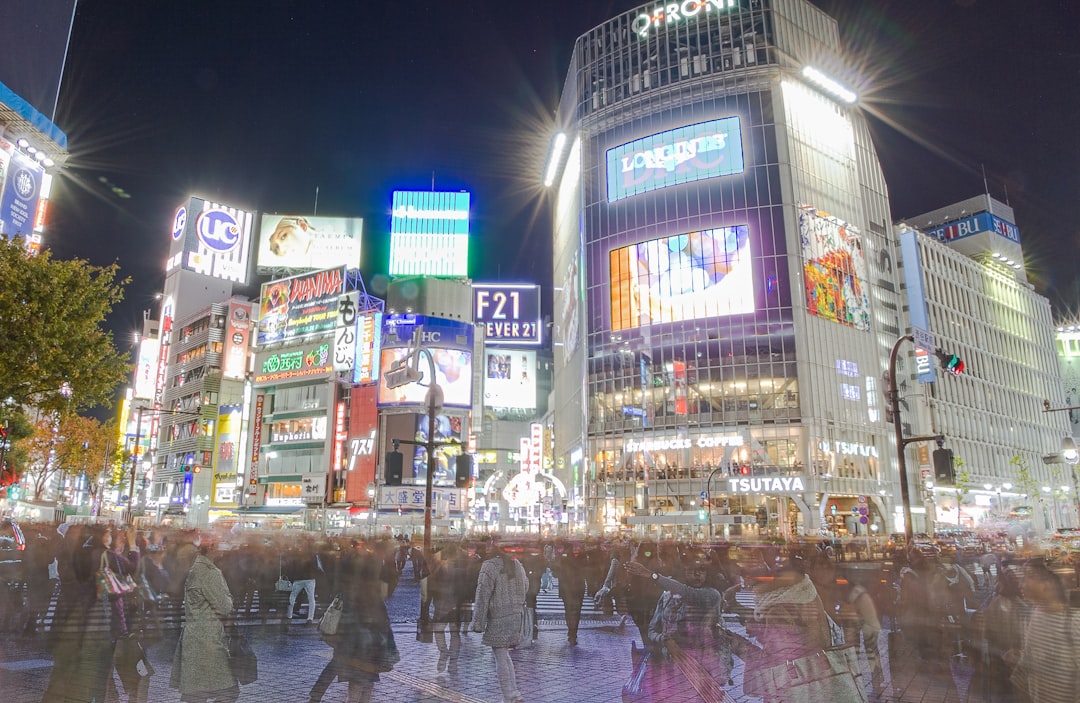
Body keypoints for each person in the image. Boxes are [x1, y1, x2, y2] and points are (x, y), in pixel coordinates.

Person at [625, 549, 733, 699]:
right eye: (691, 570)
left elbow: (688, 593)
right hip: (670, 668)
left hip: (700, 667)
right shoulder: (667, 597)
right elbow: (652, 629)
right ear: (683, 571)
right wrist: (664, 640)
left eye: (702, 570)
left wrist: (651, 575)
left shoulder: (711, 595)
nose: (697, 575)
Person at [309, 546, 398, 703]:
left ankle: (315, 695)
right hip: (368, 646)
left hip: (351, 642)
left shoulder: (348, 590)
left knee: (348, 675)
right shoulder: (372, 595)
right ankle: (316, 694)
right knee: (365, 683)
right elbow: (383, 622)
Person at [169, 540, 238, 703]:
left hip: (193, 637)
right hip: (210, 641)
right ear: (212, 548)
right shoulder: (210, 572)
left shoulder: (195, 569)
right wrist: (230, 598)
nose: (223, 548)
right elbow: (225, 607)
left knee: (196, 694)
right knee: (229, 691)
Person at [1008, 560, 1080, 703]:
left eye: (1027, 576)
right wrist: (1018, 657)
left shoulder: (1074, 621)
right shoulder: (1032, 615)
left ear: (1047, 584)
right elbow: (1033, 657)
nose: (1020, 583)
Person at [471, 538, 528, 703]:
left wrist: (478, 623)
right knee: (504, 654)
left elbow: (482, 596)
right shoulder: (516, 564)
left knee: (500, 655)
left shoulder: (489, 566)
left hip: (498, 616)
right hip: (516, 615)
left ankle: (508, 696)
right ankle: (514, 693)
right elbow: (526, 586)